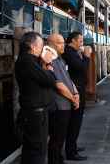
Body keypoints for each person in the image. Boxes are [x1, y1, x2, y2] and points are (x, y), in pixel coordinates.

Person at [15, 31, 57, 164]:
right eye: (40, 46)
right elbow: (50, 80)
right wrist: (49, 65)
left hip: (36, 113)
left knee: (33, 150)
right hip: (34, 115)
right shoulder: (27, 61)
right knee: (37, 151)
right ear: (33, 47)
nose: (41, 49)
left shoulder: (31, 61)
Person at [47, 34, 80, 164]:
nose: (63, 45)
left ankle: (59, 160)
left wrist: (76, 93)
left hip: (66, 104)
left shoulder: (60, 59)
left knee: (61, 138)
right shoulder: (50, 60)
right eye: (60, 43)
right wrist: (73, 98)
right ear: (53, 44)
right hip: (58, 105)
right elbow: (58, 85)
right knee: (56, 139)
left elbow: (68, 78)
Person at [62, 31, 91, 161]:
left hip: (78, 89)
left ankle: (72, 146)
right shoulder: (69, 52)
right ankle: (71, 152)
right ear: (73, 40)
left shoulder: (72, 52)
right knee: (75, 122)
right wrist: (86, 56)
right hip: (75, 91)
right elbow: (82, 68)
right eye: (80, 40)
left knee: (76, 122)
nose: (82, 43)